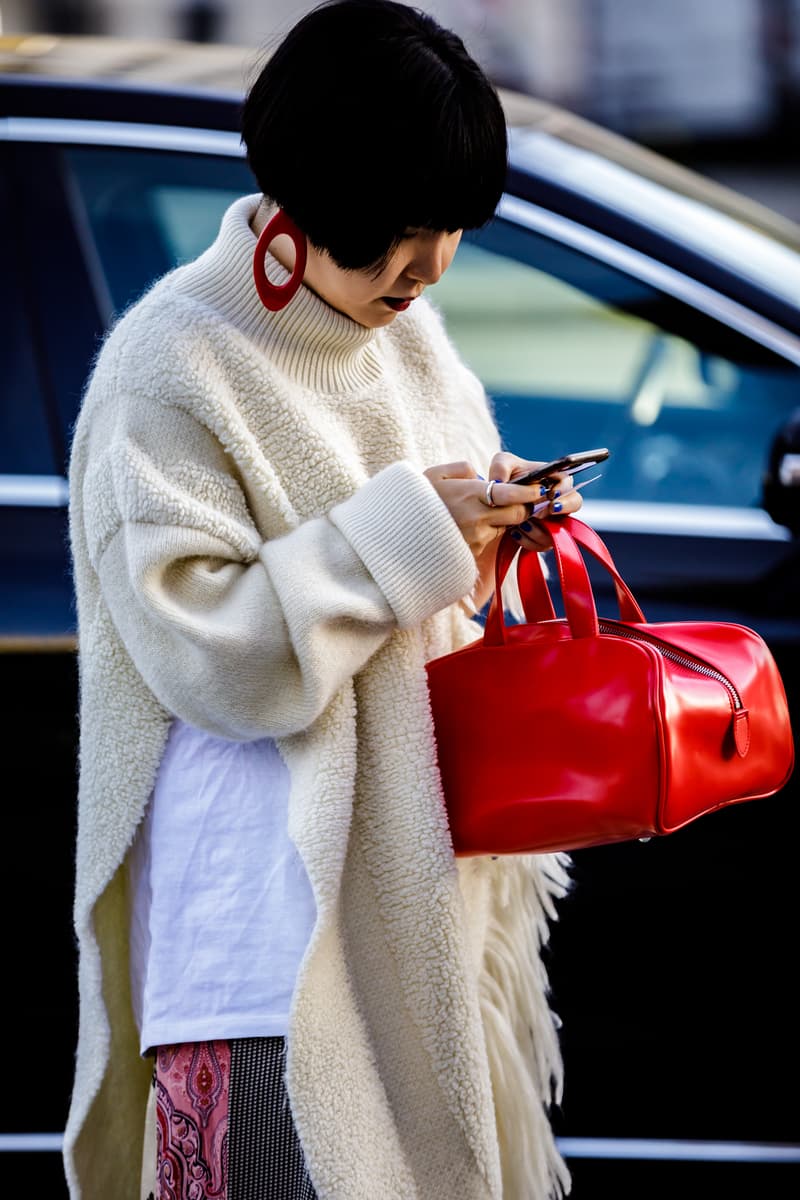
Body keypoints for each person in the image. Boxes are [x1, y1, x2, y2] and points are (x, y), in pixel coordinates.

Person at [64, 3, 583, 1197]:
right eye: (398, 236)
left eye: (448, 227)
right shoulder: (170, 371)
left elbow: (416, 598)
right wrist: (410, 533)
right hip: (262, 953)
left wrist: (489, 531)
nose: (428, 266)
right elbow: (210, 656)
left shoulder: (409, 338)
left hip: (413, 919)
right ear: (304, 205)